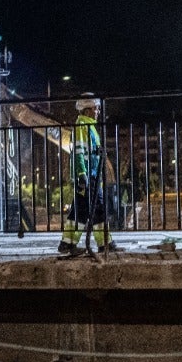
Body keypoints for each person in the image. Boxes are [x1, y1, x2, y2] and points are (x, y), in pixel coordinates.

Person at [59, 95, 116, 256]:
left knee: (83, 209)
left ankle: (68, 244)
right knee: (93, 207)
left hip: (91, 174)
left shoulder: (88, 126)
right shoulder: (82, 125)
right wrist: (82, 174)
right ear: (88, 110)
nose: (98, 111)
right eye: (96, 108)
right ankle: (104, 243)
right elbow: (79, 151)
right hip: (87, 175)